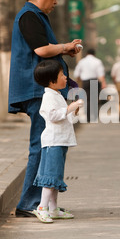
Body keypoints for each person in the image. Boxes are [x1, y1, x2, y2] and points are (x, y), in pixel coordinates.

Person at [8, 0, 82, 218]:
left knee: (49, 145)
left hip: (42, 89)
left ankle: (45, 204)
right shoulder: (29, 16)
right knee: (42, 146)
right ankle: (30, 203)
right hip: (36, 90)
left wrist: (64, 50)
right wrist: (64, 47)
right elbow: (41, 49)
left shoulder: (37, 17)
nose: (56, 1)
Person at [31, 59, 82, 223]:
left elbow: (66, 118)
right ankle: (42, 207)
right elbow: (53, 116)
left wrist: (74, 109)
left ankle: (53, 209)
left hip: (61, 141)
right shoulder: (48, 97)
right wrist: (71, 108)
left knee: (56, 177)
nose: (66, 77)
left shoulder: (57, 95)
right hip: (53, 142)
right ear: (52, 81)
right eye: (62, 75)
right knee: (50, 176)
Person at [74, 48, 107, 123]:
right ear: (94, 54)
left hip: (85, 82)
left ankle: (88, 117)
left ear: (86, 53)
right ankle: (95, 116)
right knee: (94, 99)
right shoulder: (97, 61)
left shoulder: (82, 62)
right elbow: (101, 74)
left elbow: (76, 74)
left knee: (87, 100)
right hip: (94, 81)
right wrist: (103, 83)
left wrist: (78, 82)